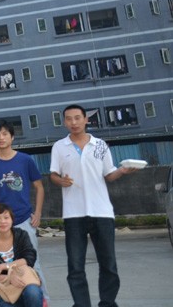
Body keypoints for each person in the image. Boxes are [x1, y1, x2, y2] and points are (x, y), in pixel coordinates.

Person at [49, 104, 137, 307]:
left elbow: (109, 174)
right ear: (64, 122)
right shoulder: (59, 147)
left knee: (108, 263)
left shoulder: (100, 145)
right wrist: (60, 180)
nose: (73, 122)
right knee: (75, 266)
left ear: (86, 119)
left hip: (102, 212)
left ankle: (107, 303)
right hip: (73, 214)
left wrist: (123, 171)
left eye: (77, 118)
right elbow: (53, 174)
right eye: (69, 119)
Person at [0, 120, 48, 300]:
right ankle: (7, 299)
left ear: (12, 137)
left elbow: (39, 187)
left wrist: (38, 213)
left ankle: (43, 301)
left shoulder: (25, 160)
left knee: (33, 264)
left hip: (23, 219)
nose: (1, 138)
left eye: (5, 134)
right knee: (1, 265)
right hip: (0, 223)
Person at [0, 204, 43, 307]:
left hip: (24, 280)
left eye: (6, 217)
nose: (2, 221)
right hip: (4, 288)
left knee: (33, 292)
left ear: (12, 220)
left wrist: (3, 266)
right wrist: (9, 277)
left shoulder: (21, 235)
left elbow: (29, 258)